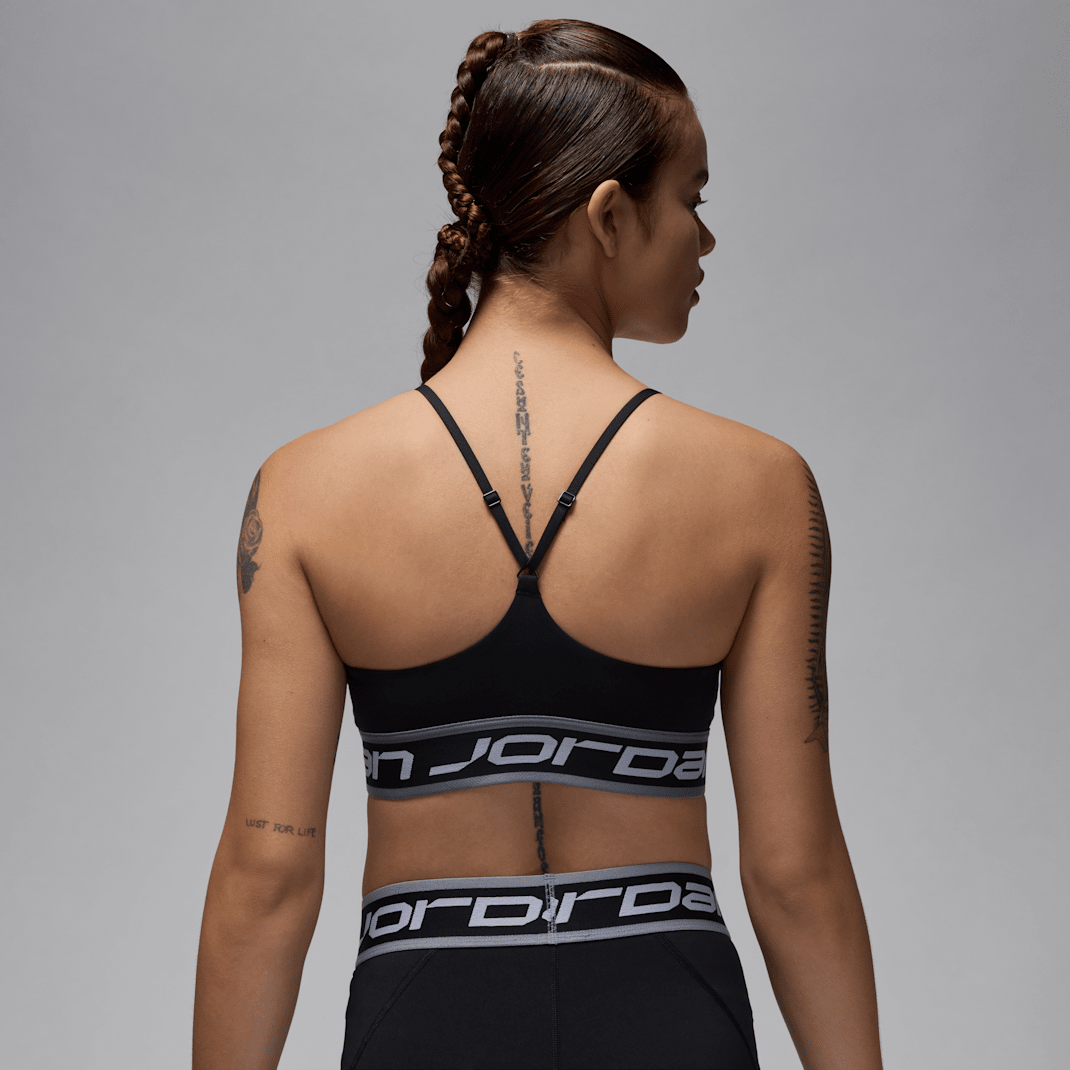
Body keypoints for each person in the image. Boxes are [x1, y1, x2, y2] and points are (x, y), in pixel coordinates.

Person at [193, 19, 881, 1070]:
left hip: (422, 1027)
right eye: (692, 199)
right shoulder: (759, 488)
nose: (705, 239)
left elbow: (268, 875)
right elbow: (794, 876)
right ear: (610, 215)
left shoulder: (302, 492)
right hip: (672, 1021)